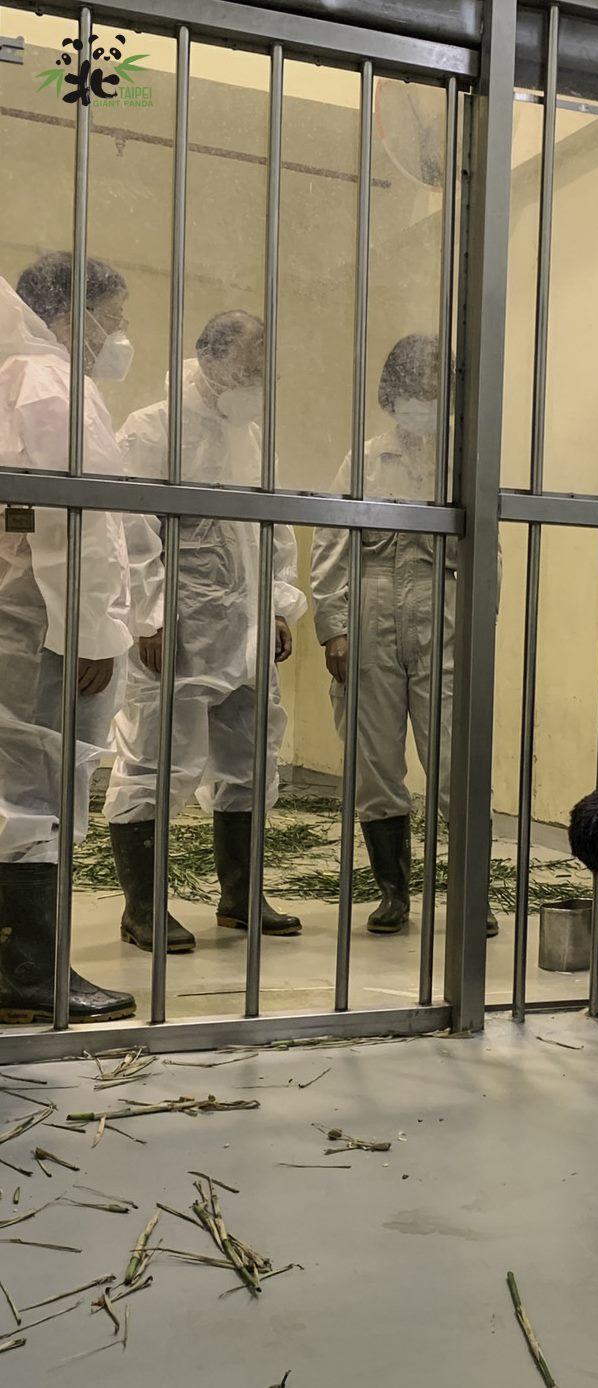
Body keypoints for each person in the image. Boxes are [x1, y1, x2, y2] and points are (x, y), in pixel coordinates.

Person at [103, 312, 306, 953]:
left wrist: (276, 604)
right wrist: (149, 616)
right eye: (250, 366)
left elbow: (272, 527)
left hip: (245, 631)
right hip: (179, 631)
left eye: (265, 370)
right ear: (211, 358)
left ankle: (241, 898)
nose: (259, 380)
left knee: (251, 760)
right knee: (156, 764)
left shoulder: (253, 436)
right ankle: (143, 909)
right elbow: (131, 532)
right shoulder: (152, 429)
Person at [0, 252, 153, 1023]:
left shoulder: (22, 375)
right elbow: (76, 513)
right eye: (113, 316)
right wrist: (94, 629)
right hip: (46, 620)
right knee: (37, 792)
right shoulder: (52, 381)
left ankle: (23, 968)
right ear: (71, 313)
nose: (117, 334)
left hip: (28, 610)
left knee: (21, 787)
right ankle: (30, 978)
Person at [311, 333, 499, 938]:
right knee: (373, 761)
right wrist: (333, 628)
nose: (422, 400)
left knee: (454, 761)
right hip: (371, 610)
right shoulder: (363, 460)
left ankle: (472, 893)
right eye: (411, 389)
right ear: (392, 395)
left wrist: (481, 626)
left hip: (442, 613)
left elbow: (486, 552)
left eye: (433, 389)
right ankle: (393, 892)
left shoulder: (465, 462)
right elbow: (331, 545)